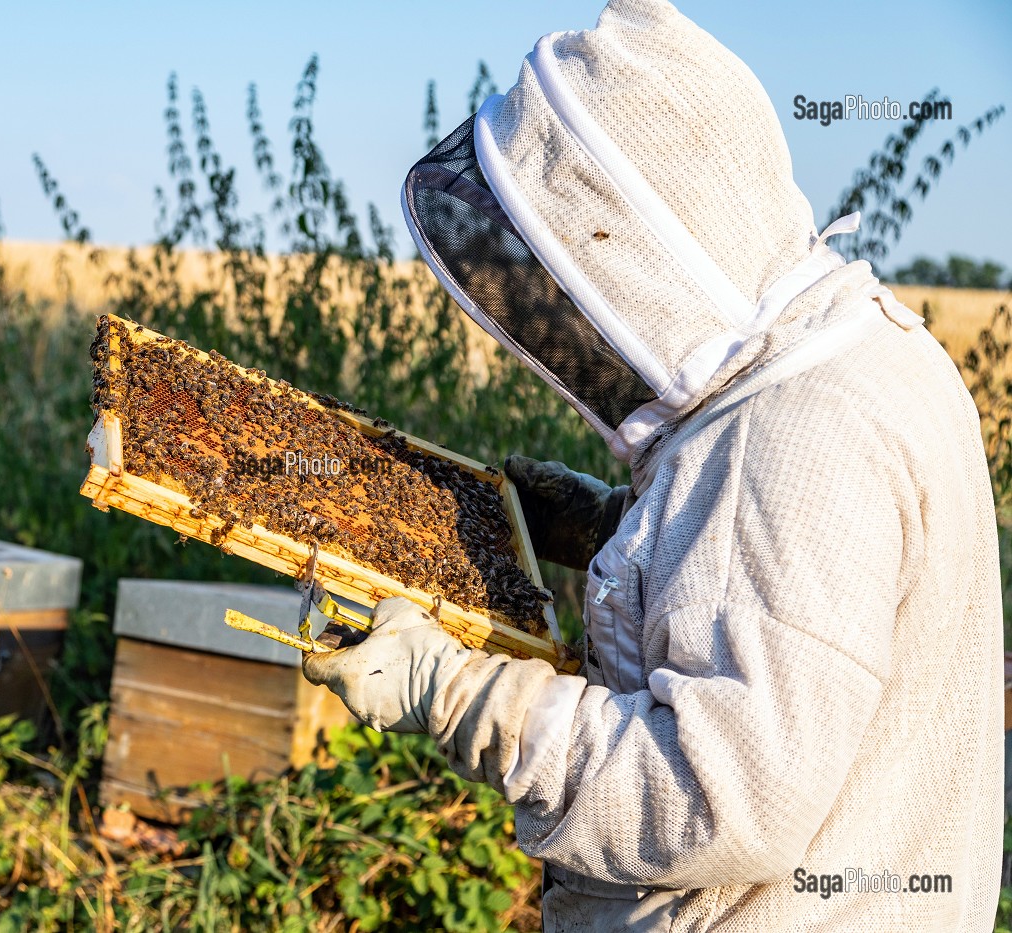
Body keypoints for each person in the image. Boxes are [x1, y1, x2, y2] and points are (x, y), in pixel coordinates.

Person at [302, 0, 1004, 928]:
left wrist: (457, 693)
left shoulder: (785, 437)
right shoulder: (866, 351)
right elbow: (806, 603)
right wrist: (613, 528)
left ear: (643, 243)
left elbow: (712, 800)